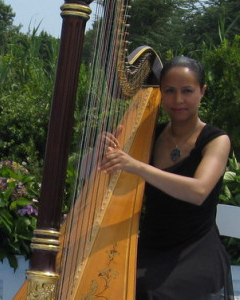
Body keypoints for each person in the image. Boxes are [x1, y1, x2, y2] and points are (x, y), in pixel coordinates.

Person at [99, 56, 234, 300]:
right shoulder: (148, 135)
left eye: (187, 91)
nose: (178, 100)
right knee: (108, 283)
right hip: (151, 245)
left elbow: (198, 191)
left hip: (196, 249)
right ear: (160, 93)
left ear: (202, 92)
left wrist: (136, 166)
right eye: (170, 91)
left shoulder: (216, 140)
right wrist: (100, 153)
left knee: (151, 292)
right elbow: (100, 172)